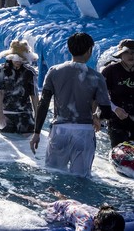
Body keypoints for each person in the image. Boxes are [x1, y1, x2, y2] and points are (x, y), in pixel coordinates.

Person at [29, 32, 114, 177]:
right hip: (84, 131)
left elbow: (43, 103)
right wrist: (97, 117)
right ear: (89, 50)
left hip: (60, 130)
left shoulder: (54, 71)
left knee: (54, 175)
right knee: (81, 179)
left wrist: (37, 132)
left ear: (69, 49)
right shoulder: (96, 77)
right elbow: (106, 110)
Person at [11, 187, 125, 231]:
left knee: (65, 200)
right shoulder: (86, 223)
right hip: (62, 208)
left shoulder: (100, 213)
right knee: (42, 204)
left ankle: (56, 192)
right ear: (97, 223)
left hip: (75, 205)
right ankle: (18, 195)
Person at [0, 40, 39, 133]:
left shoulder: (30, 72)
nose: (18, 62)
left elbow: (34, 95)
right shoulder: (1, 70)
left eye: (21, 59)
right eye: (16, 58)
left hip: (24, 113)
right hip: (7, 112)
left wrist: (37, 117)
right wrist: (0, 114)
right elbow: (0, 92)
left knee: (26, 135)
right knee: (6, 134)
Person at [101, 39, 134, 148]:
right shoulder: (110, 70)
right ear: (120, 54)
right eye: (127, 52)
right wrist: (115, 109)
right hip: (117, 119)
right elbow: (100, 94)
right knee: (120, 151)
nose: (131, 55)